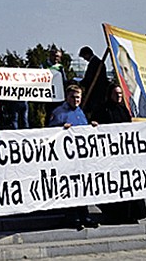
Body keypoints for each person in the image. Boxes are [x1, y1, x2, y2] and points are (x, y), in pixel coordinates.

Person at [91, 84, 146, 224]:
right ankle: (115, 214)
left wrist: (145, 128)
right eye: (116, 94)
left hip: (124, 155)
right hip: (109, 156)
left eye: (120, 94)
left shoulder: (124, 110)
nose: (119, 96)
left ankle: (132, 214)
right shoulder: (102, 109)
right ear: (110, 94)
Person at [48, 85, 98, 230]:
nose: (76, 100)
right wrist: (61, 128)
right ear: (67, 97)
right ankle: (72, 216)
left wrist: (92, 127)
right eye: (73, 97)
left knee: (83, 186)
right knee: (70, 187)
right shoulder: (59, 112)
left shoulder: (80, 112)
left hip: (81, 158)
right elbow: (50, 132)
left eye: (78, 97)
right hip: (66, 158)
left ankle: (84, 215)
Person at [78, 46, 109, 114]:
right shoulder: (96, 62)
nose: (84, 59)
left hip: (96, 92)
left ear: (87, 54)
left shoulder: (95, 63)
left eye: (84, 57)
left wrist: (80, 84)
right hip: (97, 92)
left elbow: (89, 79)